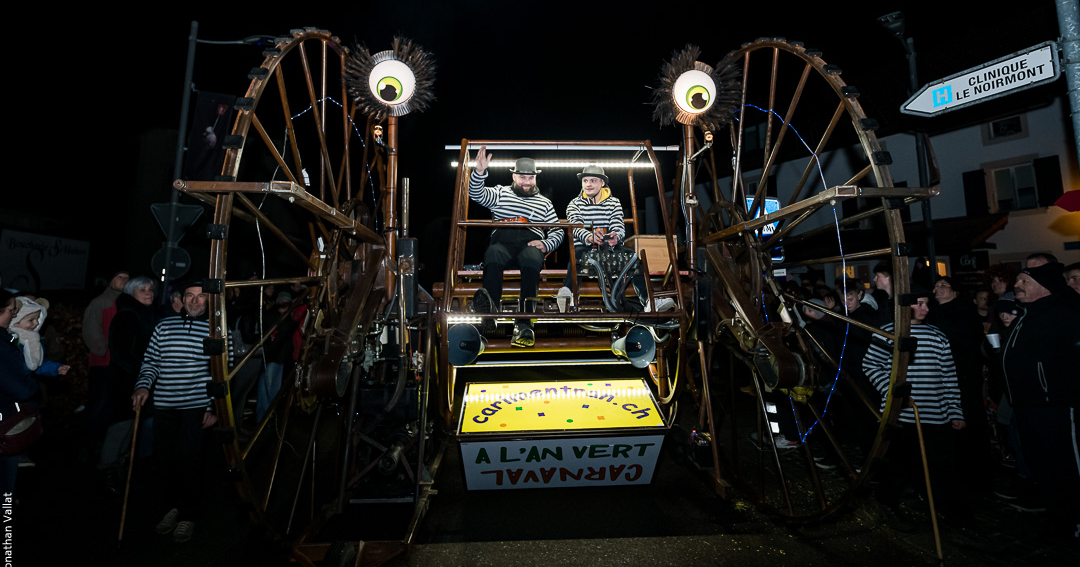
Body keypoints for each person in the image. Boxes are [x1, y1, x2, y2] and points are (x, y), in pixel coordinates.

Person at [131, 279, 234, 543]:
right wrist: (143, 387)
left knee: (189, 460)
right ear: (182, 299)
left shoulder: (218, 330)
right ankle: (171, 509)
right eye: (190, 295)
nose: (195, 301)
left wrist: (212, 407)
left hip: (196, 407)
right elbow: (151, 362)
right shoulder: (164, 326)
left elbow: (224, 372)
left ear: (210, 301)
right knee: (165, 460)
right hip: (165, 405)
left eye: (201, 297)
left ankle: (189, 515)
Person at [863, 287, 972, 528]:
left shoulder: (937, 335)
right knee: (899, 466)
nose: (925, 308)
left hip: (936, 414)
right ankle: (887, 504)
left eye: (927, 304)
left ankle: (955, 517)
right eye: (920, 303)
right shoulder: (889, 334)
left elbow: (948, 376)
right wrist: (895, 392)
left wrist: (955, 410)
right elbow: (871, 366)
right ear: (906, 306)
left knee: (942, 466)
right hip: (902, 414)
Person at [1000, 262, 1080, 543]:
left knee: (1064, 467)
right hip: (1025, 406)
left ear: (1044, 288)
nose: (1017, 285)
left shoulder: (1062, 315)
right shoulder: (1024, 314)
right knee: (1041, 467)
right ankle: (1057, 521)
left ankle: (1074, 522)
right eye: (1018, 280)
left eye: (1025, 281)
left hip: (1053, 406)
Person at [468, 147, 563, 347]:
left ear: (536, 178)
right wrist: (479, 173)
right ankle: (490, 313)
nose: (527, 182)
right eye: (522, 178)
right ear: (514, 176)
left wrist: (545, 244)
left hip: (530, 242)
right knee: (493, 253)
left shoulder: (544, 203)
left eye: (530, 178)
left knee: (531, 258)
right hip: (503, 240)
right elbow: (476, 194)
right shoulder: (500, 193)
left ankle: (524, 322)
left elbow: (558, 231)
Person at [557, 165, 670, 313]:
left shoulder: (614, 202)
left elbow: (618, 224)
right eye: (585, 181)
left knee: (633, 258)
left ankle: (648, 300)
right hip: (586, 247)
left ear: (602, 183)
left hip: (608, 247)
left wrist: (615, 236)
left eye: (593, 180)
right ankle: (568, 294)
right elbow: (576, 227)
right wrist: (590, 237)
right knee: (576, 256)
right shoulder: (574, 204)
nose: (588, 184)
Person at [100, 276, 159, 496]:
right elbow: (121, 353)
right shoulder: (127, 316)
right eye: (142, 290)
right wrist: (144, 375)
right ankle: (107, 474)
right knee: (120, 428)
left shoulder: (144, 315)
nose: (148, 293)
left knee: (130, 431)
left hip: (138, 383)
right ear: (131, 294)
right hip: (125, 384)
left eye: (151, 289)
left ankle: (121, 475)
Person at [82, 270, 129, 459]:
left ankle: (103, 445)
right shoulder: (99, 303)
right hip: (103, 363)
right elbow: (91, 332)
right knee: (97, 406)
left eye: (127, 279)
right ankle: (87, 446)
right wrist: (106, 349)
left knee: (111, 407)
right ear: (110, 280)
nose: (124, 281)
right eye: (120, 277)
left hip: (119, 366)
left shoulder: (126, 303)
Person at [0, 290, 41, 495]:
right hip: (4, 423)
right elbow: (20, 388)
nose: (14, 314)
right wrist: (33, 386)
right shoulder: (1, 345)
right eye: (10, 310)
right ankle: (6, 525)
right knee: (5, 491)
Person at [10, 297, 70, 377]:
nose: (37, 323)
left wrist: (56, 368)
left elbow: (38, 364)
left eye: (38, 319)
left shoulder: (35, 340)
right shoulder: (9, 339)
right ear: (15, 321)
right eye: (31, 320)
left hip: (25, 385)